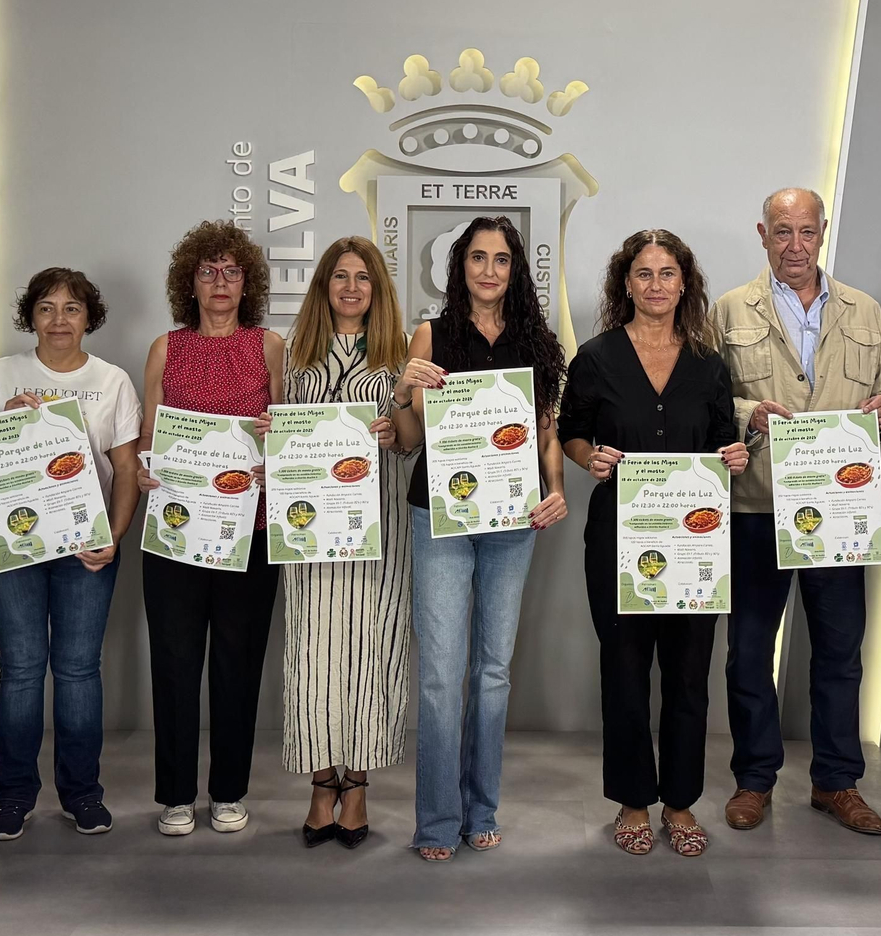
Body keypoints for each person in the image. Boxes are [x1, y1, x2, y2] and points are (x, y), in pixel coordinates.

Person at [708, 188, 881, 835]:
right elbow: (708, 400)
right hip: (757, 505)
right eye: (783, 231)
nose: (796, 245)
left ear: (823, 232)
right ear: (763, 234)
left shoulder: (865, 310)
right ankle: (754, 779)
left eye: (807, 231)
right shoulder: (729, 309)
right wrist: (746, 413)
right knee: (748, 652)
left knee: (840, 653)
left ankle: (837, 781)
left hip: (841, 512)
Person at [387, 215, 569, 861]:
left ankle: (481, 809)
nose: (489, 270)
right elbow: (409, 441)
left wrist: (556, 487)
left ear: (515, 270)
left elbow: (546, 430)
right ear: (459, 265)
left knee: (492, 672)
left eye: (501, 259)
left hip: (514, 519)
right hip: (440, 517)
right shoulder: (432, 334)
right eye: (478, 257)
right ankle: (437, 821)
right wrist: (404, 390)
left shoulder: (537, 341)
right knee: (441, 675)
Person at [560, 230, 747, 857]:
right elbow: (572, 432)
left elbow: (723, 444)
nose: (657, 284)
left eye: (668, 273)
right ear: (626, 283)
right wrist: (589, 457)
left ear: (684, 283)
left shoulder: (708, 364)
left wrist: (736, 455)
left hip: (696, 545)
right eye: (644, 273)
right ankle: (634, 801)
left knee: (689, 675)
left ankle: (681, 802)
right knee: (625, 671)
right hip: (618, 540)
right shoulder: (596, 358)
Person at [0, 268, 142, 841]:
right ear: (30, 316)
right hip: (13, 542)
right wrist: (3, 423)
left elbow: (126, 469)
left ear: (89, 317)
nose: (59, 320)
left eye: (72, 309)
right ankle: (13, 796)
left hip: (87, 544)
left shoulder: (112, 381)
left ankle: (82, 793)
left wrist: (114, 535)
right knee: (20, 667)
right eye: (47, 308)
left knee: (79, 669)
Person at [136, 221, 285, 837]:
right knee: (173, 663)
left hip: (249, 529)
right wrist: (144, 469)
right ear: (189, 283)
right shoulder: (165, 348)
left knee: (237, 664)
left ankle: (228, 791)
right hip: (175, 529)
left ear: (246, 283)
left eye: (231, 271)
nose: (219, 282)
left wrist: (277, 447)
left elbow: (287, 428)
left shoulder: (270, 346)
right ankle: (175, 795)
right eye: (207, 271)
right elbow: (147, 436)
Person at [282, 238, 411, 850]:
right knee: (312, 652)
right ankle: (320, 783)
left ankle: (356, 785)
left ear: (378, 288)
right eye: (340, 276)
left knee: (371, 648)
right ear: (323, 285)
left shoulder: (401, 354)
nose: (352, 287)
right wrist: (272, 433)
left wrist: (395, 431)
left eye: (363, 277)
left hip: (378, 525)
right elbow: (276, 430)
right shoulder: (294, 354)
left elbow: (415, 439)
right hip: (308, 529)